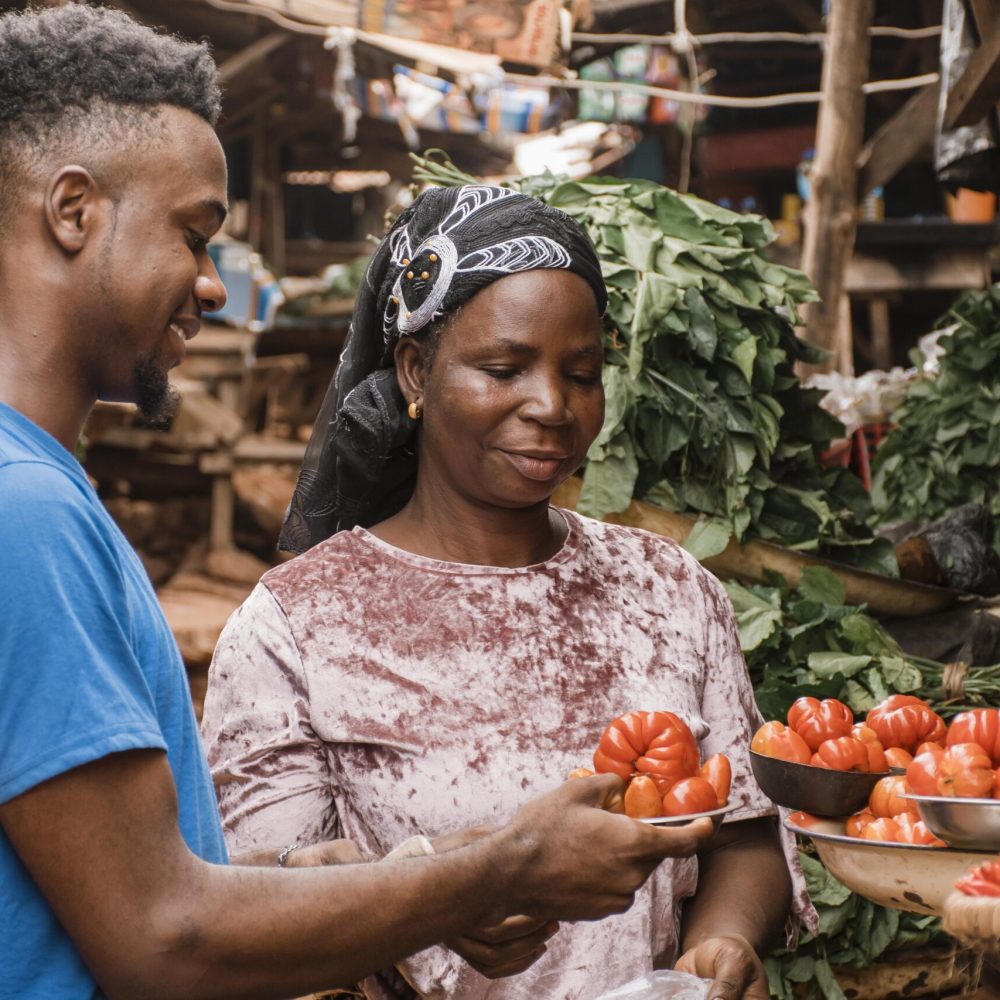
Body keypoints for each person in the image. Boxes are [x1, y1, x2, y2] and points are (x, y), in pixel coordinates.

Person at [0, 7, 723, 999]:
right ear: (72, 210)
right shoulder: (25, 515)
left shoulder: (34, 494)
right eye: (194, 235)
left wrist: (357, 878)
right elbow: (161, 937)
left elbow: (111, 888)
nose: (214, 287)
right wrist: (494, 872)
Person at [201, 184, 815, 1000]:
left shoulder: (669, 589)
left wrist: (722, 940)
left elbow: (741, 830)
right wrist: (435, 902)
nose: (553, 406)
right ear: (417, 371)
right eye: (503, 368)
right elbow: (266, 911)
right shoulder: (298, 624)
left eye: (584, 373)